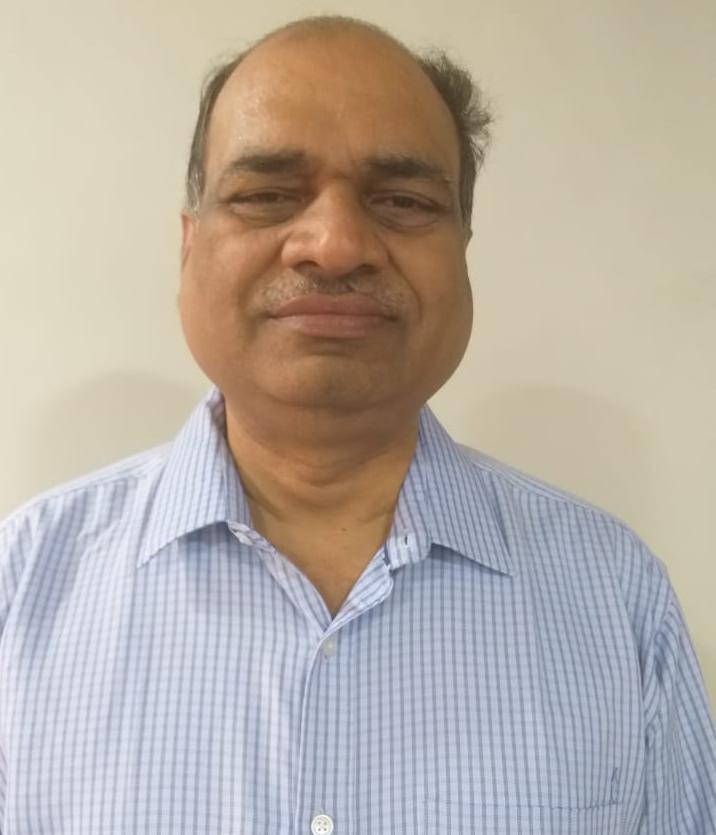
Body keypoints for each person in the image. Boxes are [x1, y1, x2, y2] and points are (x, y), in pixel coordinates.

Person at [1, 14, 714, 835]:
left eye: (403, 201)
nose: (336, 245)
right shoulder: (22, 588)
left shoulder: (616, 599)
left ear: (463, 249)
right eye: (267, 195)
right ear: (189, 246)